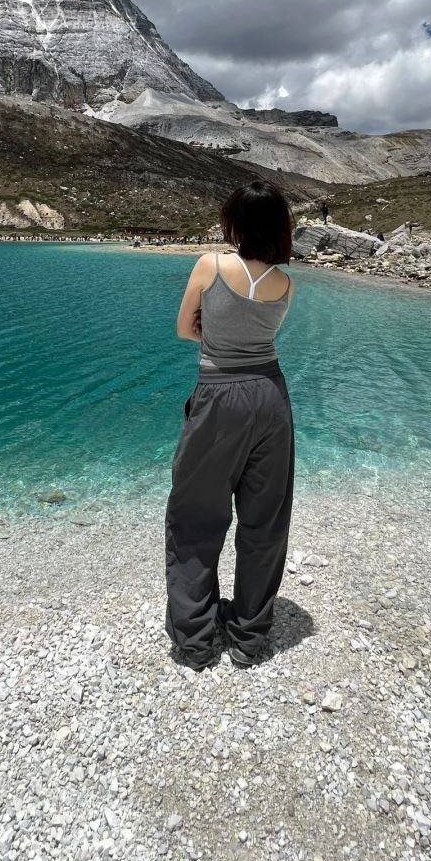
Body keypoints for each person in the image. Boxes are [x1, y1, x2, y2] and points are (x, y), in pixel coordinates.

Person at [166, 180, 296, 671]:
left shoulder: (210, 265)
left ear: (235, 224)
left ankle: (196, 640)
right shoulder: (285, 284)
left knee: (196, 517)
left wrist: (208, 325)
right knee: (264, 521)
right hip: (271, 396)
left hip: (219, 397)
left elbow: (184, 329)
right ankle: (248, 637)